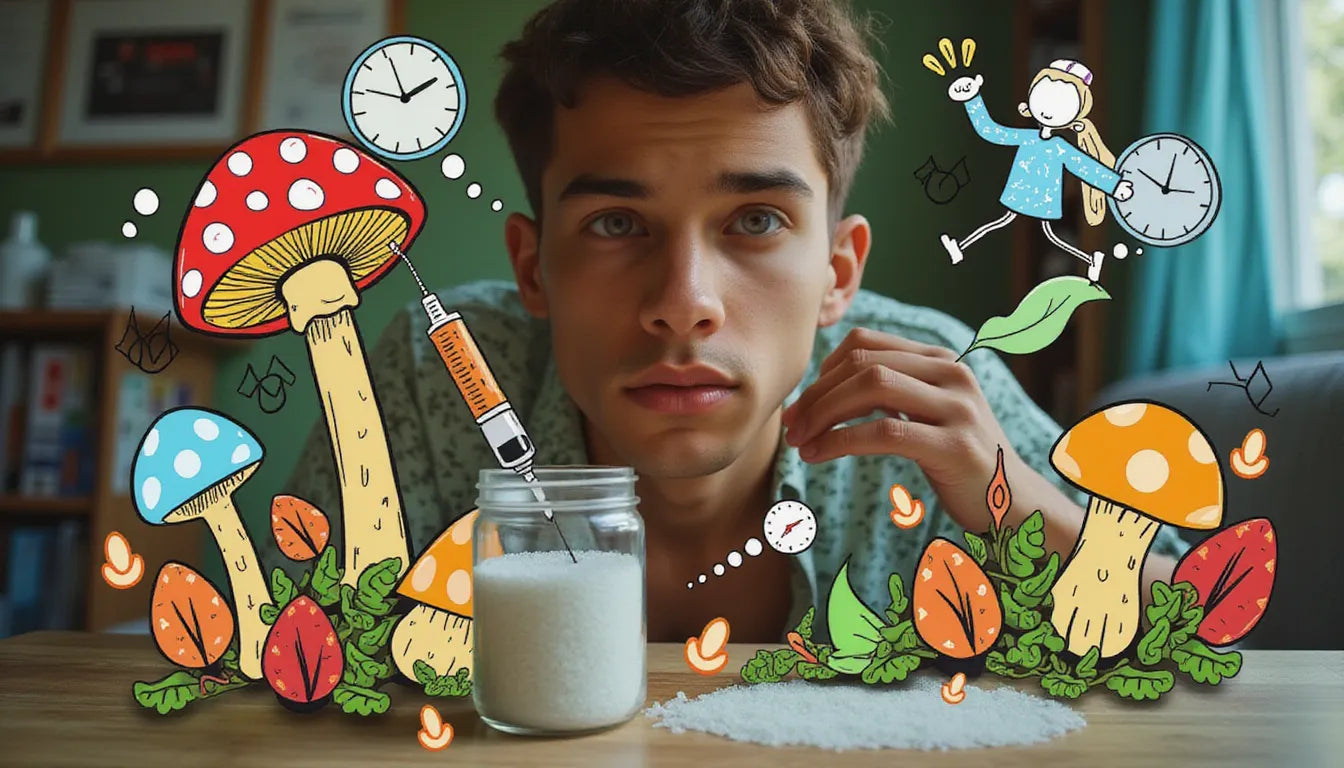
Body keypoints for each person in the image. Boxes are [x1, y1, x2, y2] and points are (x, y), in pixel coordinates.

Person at [263, 0, 1188, 644]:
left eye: (755, 221)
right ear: (533, 267)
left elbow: (1198, 624)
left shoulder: (934, 391)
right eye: (617, 223)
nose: (685, 301)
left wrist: (1013, 498)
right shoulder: (440, 377)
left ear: (838, 274)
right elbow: (267, 652)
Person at [939, 62, 1135, 283]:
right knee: (1009, 224)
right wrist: (972, 99)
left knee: (1048, 235)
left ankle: (1091, 260)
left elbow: (1085, 167)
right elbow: (991, 131)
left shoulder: (1060, 147)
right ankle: (960, 247)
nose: (1048, 109)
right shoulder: (1027, 137)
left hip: (1041, 199)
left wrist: (1114, 185)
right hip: (1020, 194)